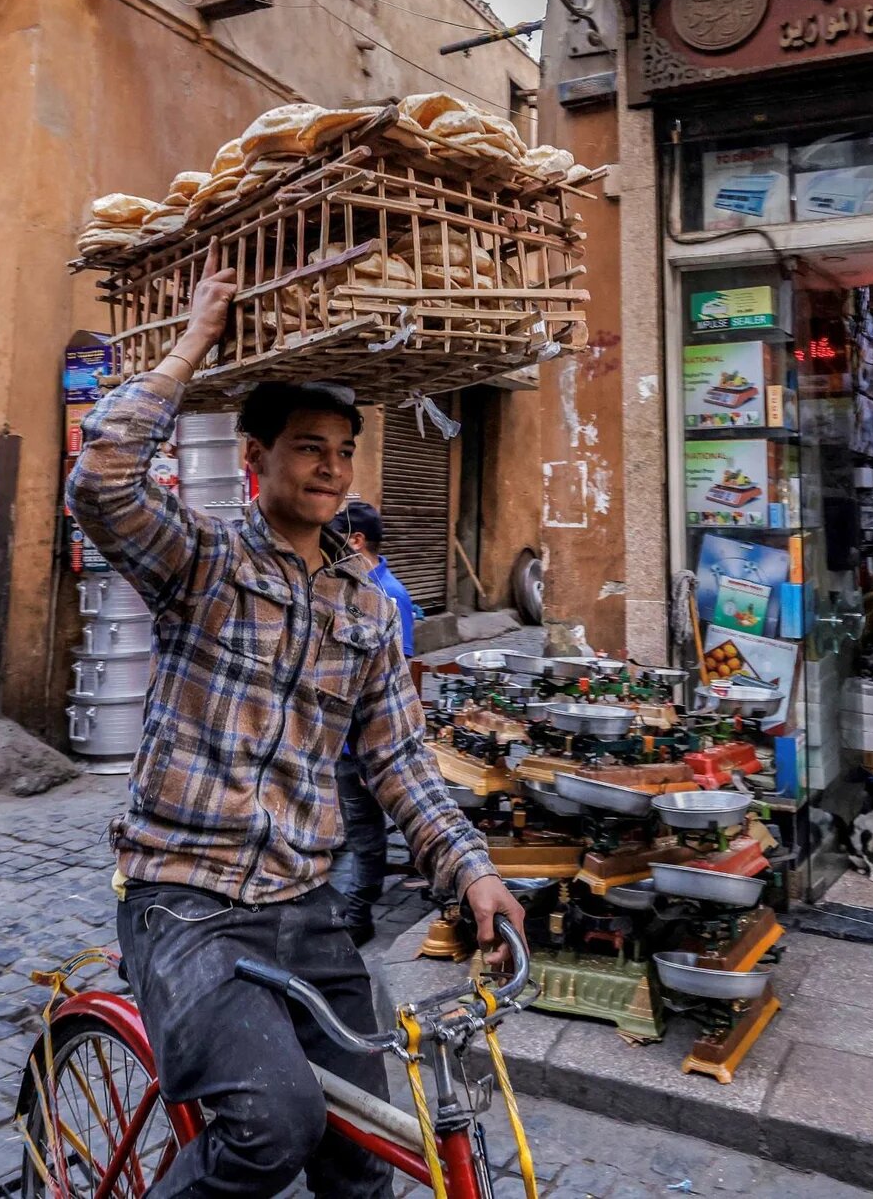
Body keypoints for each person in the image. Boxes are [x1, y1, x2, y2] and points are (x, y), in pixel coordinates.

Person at [67, 267, 522, 1199]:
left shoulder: (364, 605)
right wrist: (193, 343)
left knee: (372, 1159)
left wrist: (469, 867)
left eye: (345, 450)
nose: (332, 467)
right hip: (182, 902)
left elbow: (397, 756)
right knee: (274, 1126)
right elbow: (103, 478)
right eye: (309, 447)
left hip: (303, 911)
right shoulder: (204, 562)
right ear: (255, 457)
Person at [327, 499, 417, 947]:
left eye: (334, 536)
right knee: (350, 825)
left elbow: (398, 680)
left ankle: (359, 913)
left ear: (356, 541)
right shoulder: (342, 586)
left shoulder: (388, 596)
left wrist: (373, 752)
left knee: (366, 832)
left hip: (359, 744)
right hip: (334, 739)